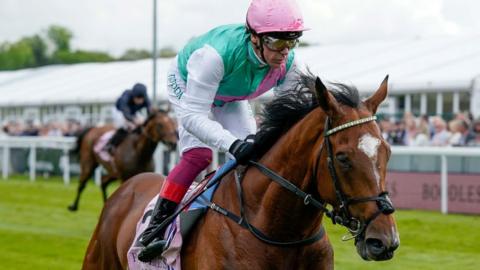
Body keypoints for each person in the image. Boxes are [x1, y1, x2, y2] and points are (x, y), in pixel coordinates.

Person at [138, 0, 309, 251]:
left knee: (255, 159)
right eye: (277, 42)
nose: (285, 50)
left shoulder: (290, 63)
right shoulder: (212, 57)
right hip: (188, 83)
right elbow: (193, 117)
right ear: (254, 38)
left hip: (229, 95)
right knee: (199, 156)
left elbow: (297, 112)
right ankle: (156, 227)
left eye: (292, 41)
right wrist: (232, 143)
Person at [104, 83, 152, 153]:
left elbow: (150, 112)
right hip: (119, 110)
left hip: (133, 111)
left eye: (141, 98)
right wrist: (134, 120)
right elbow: (126, 114)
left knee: (142, 123)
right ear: (133, 96)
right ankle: (111, 144)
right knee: (124, 125)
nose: (140, 101)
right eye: (137, 98)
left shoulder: (146, 99)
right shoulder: (126, 96)